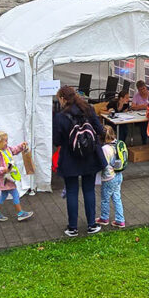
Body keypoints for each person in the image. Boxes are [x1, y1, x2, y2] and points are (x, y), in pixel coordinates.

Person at [53, 85, 105, 237]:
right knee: (89, 190)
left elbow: (57, 141)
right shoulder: (88, 109)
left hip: (70, 159)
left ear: (63, 99)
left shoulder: (60, 117)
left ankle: (73, 228)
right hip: (90, 156)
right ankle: (91, 225)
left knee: (72, 191)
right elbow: (100, 130)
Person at [0, 131, 33, 223]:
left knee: (4, 195)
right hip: (5, 179)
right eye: (5, 141)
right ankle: (20, 213)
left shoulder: (6, 149)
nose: (7, 142)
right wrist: (4, 169)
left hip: (7, 178)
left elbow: (14, 150)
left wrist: (21, 146)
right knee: (15, 194)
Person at [97, 125, 127, 228]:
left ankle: (104, 218)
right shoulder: (117, 143)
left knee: (105, 199)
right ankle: (120, 219)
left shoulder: (105, 148)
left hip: (109, 177)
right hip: (118, 175)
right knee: (117, 198)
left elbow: (103, 164)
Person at [129, 79, 149, 144]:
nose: (142, 91)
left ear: (146, 87)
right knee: (143, 124)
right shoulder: (136, 96)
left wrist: (138, 107)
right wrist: (143, 106)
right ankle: (144, 142)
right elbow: (133, 107)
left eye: (143, 88)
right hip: (140, 116)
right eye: (140, 90)